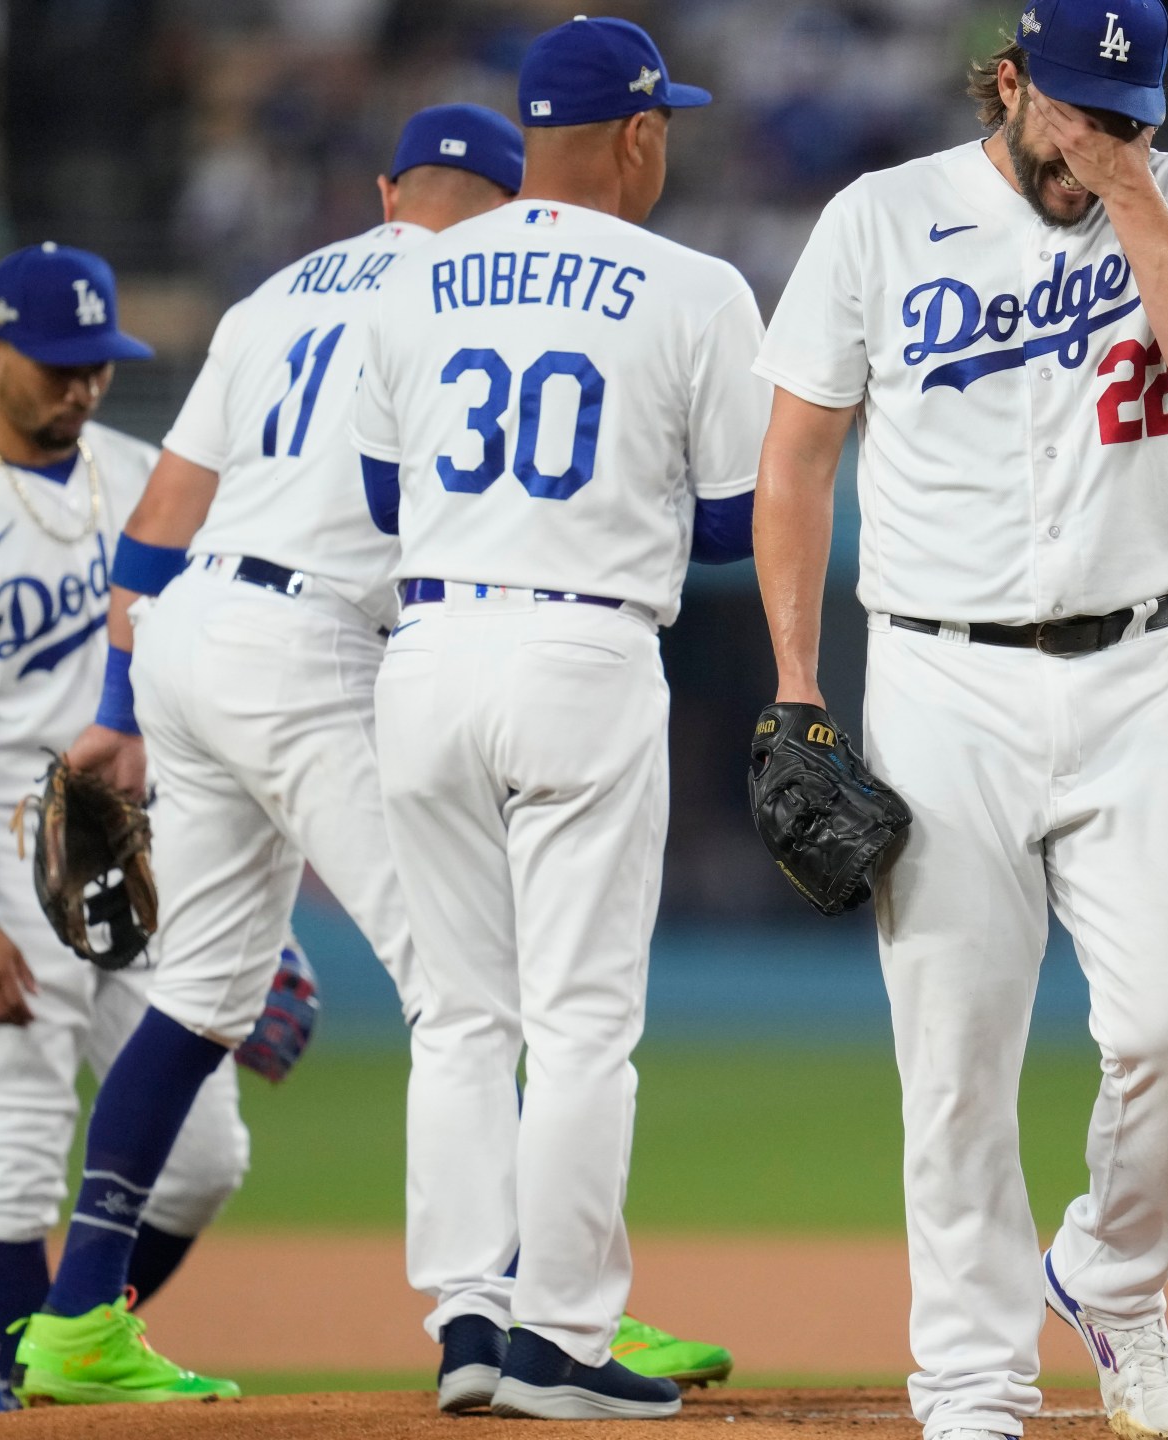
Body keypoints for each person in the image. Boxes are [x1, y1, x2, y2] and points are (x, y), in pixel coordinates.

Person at [47, 101, 732, 1414]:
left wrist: (124, 704)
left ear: (386, 189)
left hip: (191, 635)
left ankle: (77, 1317)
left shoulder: (271, 296)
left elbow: (159, 516)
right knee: (468, 985)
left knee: (202, 993)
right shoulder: (475, 293)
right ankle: (545, 1311)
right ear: (507, 201)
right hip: (313, 645)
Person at [749, 2, 1168, 1437]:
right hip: (939, 677)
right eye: (1075, 110)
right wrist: (799, 690)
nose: (1102, 139)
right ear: (1007, 80)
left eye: (1132, 114)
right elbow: (795, 465)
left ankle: (1111, 1280)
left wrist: (1126, 188)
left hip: (1130, 669)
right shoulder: (881, 218)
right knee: (957, 1061)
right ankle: (974, 1390)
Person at [352, 17, 763, 1422]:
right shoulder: (695, 286)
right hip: (581, 653)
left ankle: (467, 1320)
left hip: (425, 652)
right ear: (641, 135)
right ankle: (565, 1342)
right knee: (580, 1026)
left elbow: (382, 503)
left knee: (460, 1019)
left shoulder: (415, 278)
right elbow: (727, 525)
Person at [0, 242, 250, 1415]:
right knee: (15, 1155)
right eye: (59, 364)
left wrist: (251, 923)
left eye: (98, 363)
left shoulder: (143, 476)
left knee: (203, 1162)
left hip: (141, 866)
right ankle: (16, 1392)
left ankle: (70, 1342)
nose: (82, 386)